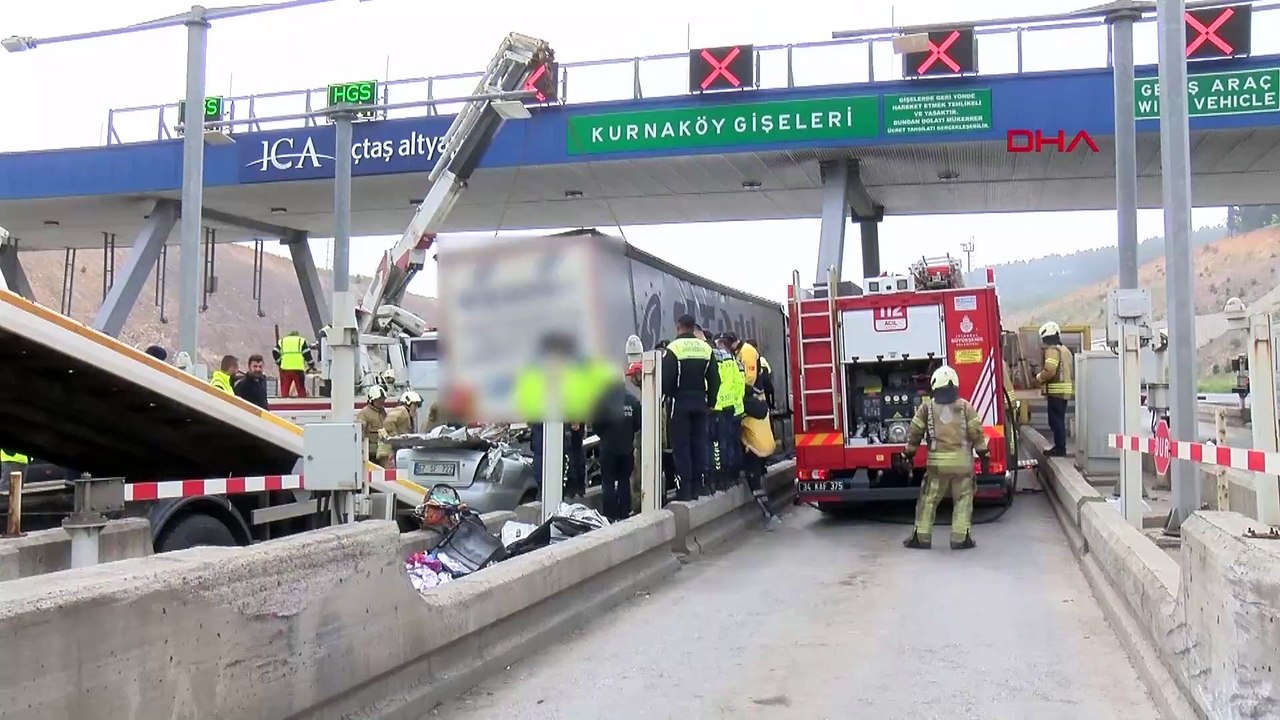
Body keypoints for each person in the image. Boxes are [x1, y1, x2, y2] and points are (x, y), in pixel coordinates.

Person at [899, 366, 989, 551]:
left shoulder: (927, 408)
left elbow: (914, 432)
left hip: (937, 466)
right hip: (962, 465)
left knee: (928, 499)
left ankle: (921, 538)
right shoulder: (966, 407)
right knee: (963, 499)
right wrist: (984, 455)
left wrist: (907, 453)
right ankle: (960, 538)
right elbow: (976, 433)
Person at [663, 314, 720, 501]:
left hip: (679, 403)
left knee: (681, 448)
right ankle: (699, 486)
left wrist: (665, 398)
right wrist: (711, 403)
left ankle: (684, 491)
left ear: (678, 327)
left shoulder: (674, 348)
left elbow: (666, 379)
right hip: (700, 403)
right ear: (693, 327)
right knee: (699, 445)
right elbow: (714, 379)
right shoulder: (705, 348)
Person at [594, 364, 642, 522]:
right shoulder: (633, 400)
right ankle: (624, 513)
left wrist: (605, 436)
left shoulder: (602, 401)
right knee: (624, 481)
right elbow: (637, 424)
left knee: (607, 482)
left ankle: (609, 514)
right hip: (626, 448)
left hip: (608, 448)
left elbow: (596, 425)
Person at [711, 333, 746, 492]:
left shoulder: (716, 359)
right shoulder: (734, 361)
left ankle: (721, 478)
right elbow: (739, 385)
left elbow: (713, 382)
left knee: (718, 445)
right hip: (734, 407)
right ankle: (734, 475)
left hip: (719, 406)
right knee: (733, 444)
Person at [1034, 321, 1074, 457]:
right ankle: (1060, 447)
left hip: (1056, 392)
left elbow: (1050, 370)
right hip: (1064, 392)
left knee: (1055, 421)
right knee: (1059, 420)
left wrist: (1038, 378)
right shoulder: (1065, 350)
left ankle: (1060, 449)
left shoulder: (1052, 350)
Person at [377, 390, 423, 465]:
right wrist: (395, 439)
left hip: (399, 447)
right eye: (415, 405)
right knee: (390, 472)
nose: (415, 408)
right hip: (392, 448)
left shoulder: (406, 414)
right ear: (408, 403)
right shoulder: (401, 410)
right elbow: (388, 423)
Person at [274, 330, 314, 399]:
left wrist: (279, 362)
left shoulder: (282, 341)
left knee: (284, 390)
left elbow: (275, 352)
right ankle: (303, 406)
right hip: (298, 369)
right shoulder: (300, 341)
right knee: (301, 390)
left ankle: (283, 405)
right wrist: (311, 364)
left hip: (285, 369)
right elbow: (306, 353)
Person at [358, 385, 389, 462]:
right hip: (370, 452)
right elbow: (359, 432)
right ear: (372, 400)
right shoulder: (364, 413)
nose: (381, 402)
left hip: (382, 450)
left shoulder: (383, 412)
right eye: (379, 400)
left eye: (383, 400)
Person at [747, 338, 776, 409]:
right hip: (763, 388)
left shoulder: (750, 358)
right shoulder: (761, 359)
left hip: (755, 389)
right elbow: (769, 370)